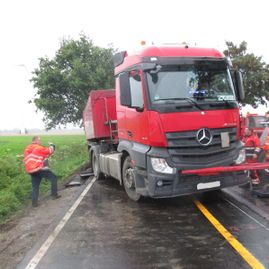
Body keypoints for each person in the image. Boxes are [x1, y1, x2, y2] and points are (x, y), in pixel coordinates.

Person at [24, 136, 61, 207]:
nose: (40, 142)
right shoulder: (38, 148)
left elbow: (40, 156)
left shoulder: (27, 148)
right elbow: (49, 151)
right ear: (36, 141)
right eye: (39, 140)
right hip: (39, 169)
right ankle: (54, 195)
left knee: (35, 186)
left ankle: (34, 203)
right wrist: (52, 145)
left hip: (31, 170)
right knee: (54, 178)